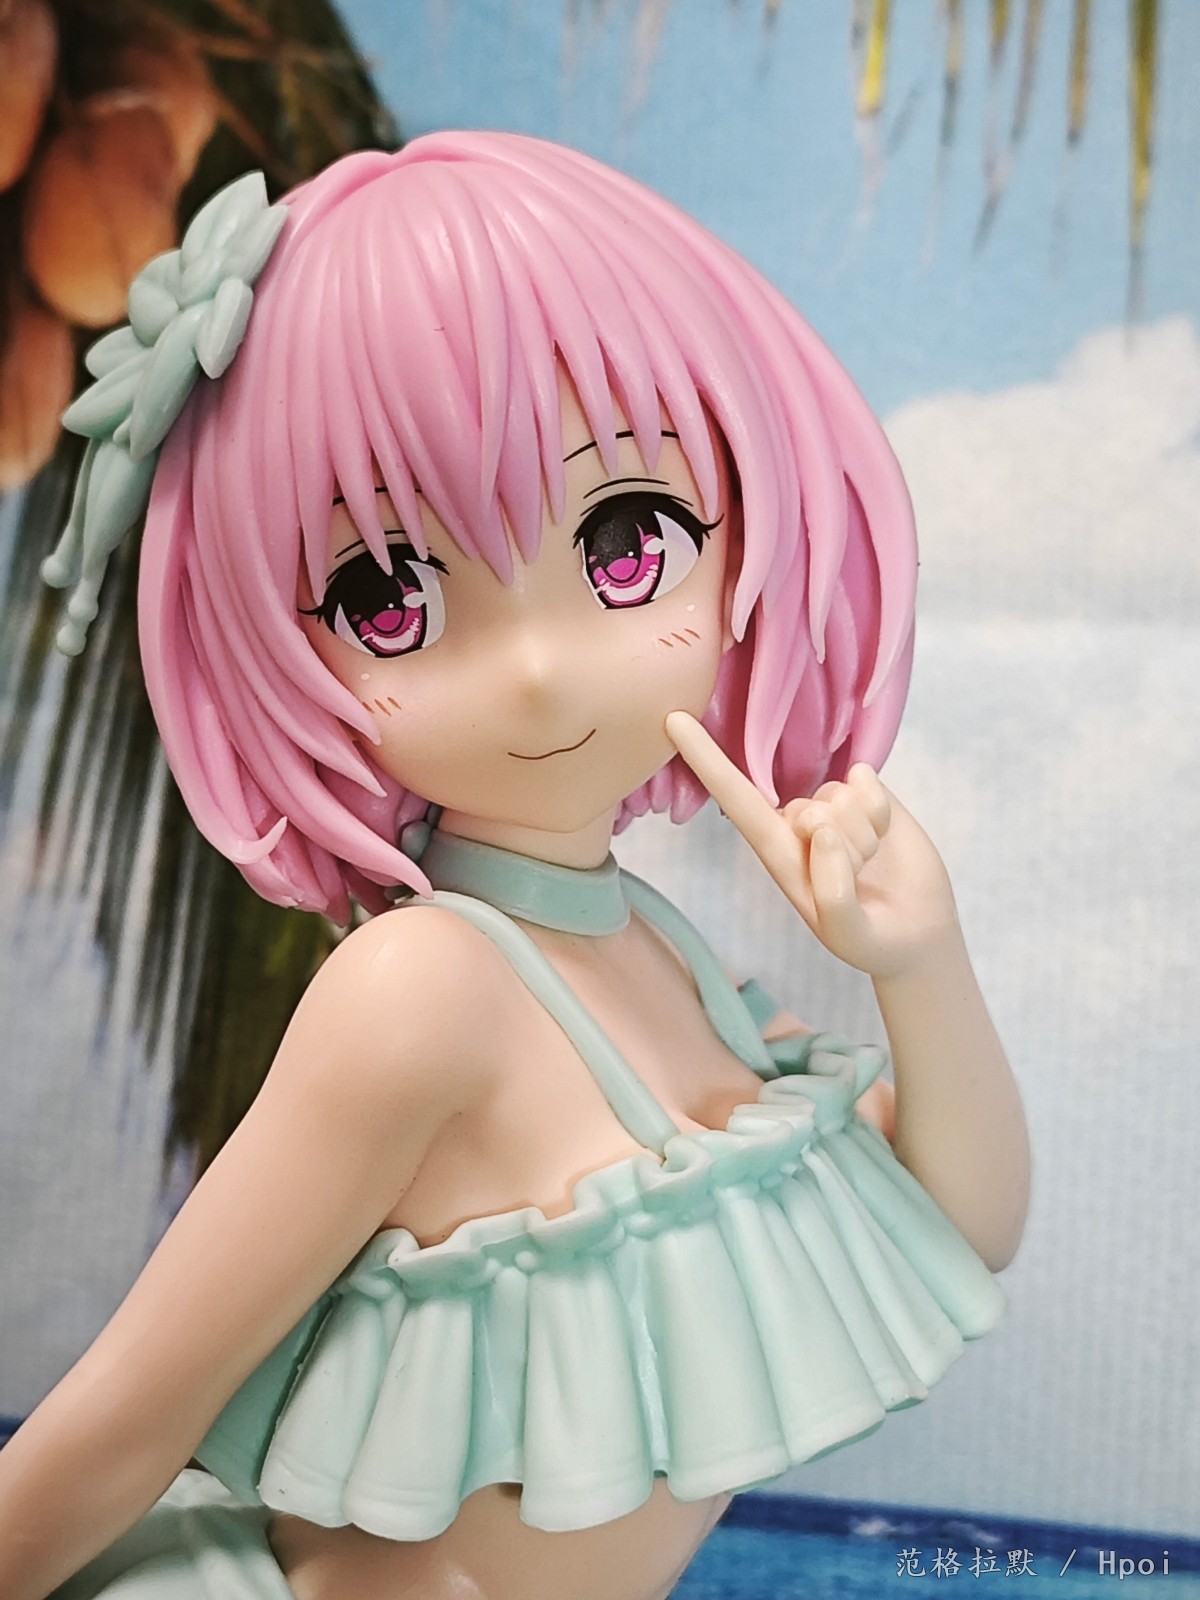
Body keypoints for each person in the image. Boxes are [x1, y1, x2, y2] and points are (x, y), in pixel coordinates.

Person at [1, 132, 1029, 1600]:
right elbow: (132, 1407)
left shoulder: (665, 962)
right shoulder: (420, 991)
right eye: (386, 597)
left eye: (627, 541)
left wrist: (924, 967)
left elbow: (957, 1227)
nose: (539, 669)